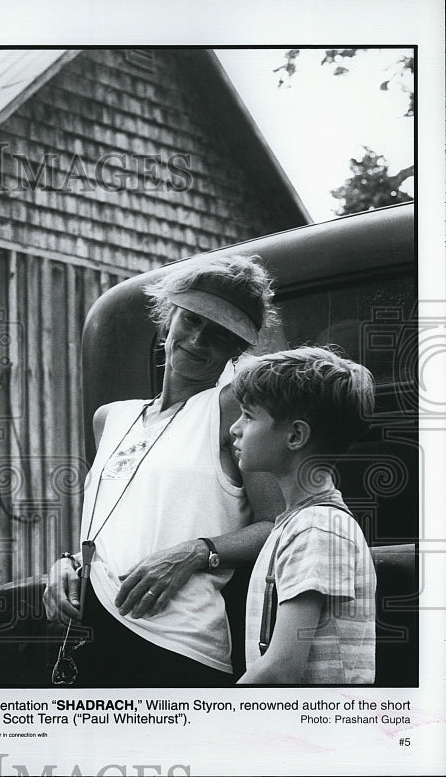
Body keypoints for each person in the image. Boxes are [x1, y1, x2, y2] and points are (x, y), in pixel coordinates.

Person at [43, 254, 284, 687]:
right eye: (191, 320)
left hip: (177, 647)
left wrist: (196, 552)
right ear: (167, 319)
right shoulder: (110, 418)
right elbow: (128, 520)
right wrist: (71, 562)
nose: (197, 340)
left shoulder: (229, 408)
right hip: (92, 634)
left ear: (237, 349)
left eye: (219, 334)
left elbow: (280, 524)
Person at [231, 347, 376, 684]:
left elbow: (281, 670)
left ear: (295, 436)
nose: (235, 430)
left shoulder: (317, 528)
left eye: (249, 416)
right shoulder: (299, 523)